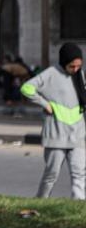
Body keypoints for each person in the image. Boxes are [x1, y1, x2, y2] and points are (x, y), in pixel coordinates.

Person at [20, 43, 86, 200]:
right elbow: (26, 88)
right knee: (52, 173)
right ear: (64, 62)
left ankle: (78, 204)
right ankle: (41, 200)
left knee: (79, 172)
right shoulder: (50, 74)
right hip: (57, 133)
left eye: (79, 66)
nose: (76, 69)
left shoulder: (79, 75)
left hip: (77, 132)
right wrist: (45, 104)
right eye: (72, 66)